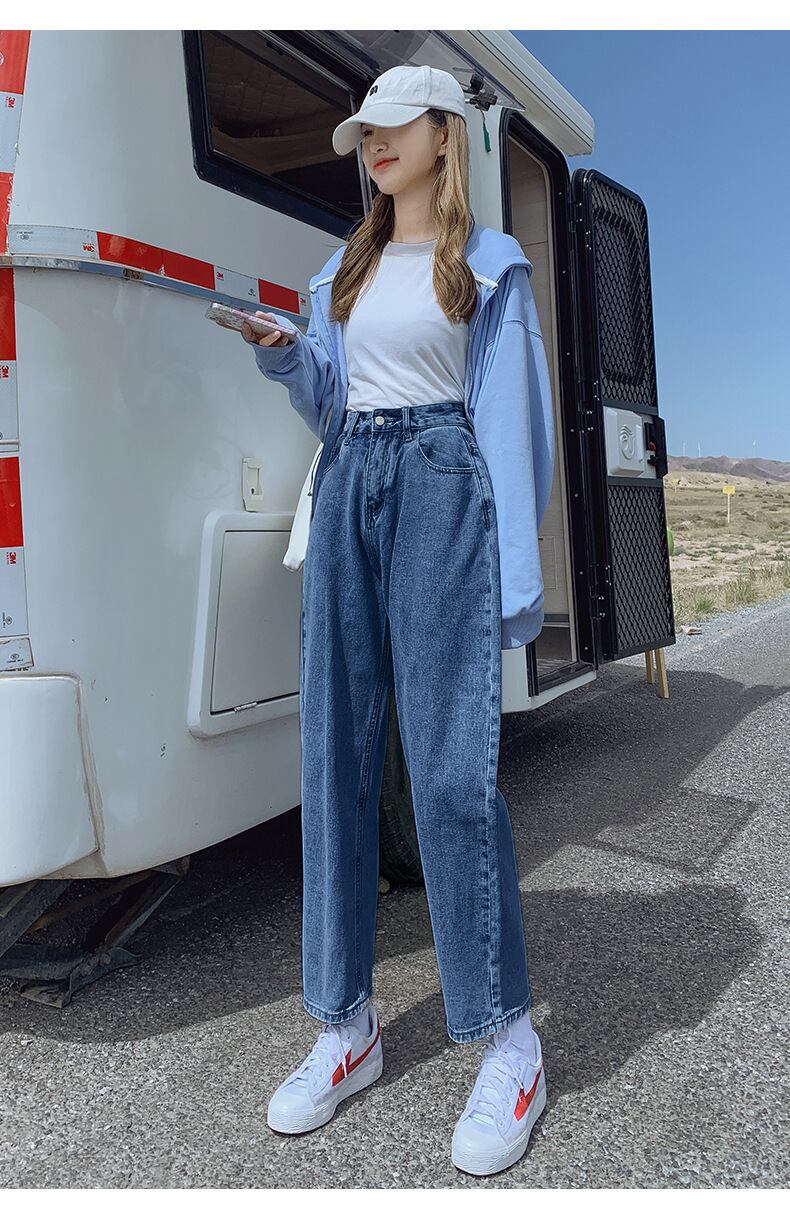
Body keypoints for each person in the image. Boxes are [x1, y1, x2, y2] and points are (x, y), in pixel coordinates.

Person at [241, 64, 554, 1177]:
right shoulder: (344, 268)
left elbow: (507, 421)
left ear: (443, 135)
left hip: (441, 482)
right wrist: (288, 356)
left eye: (390, 127)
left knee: (451, 770)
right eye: (363, 133)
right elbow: (332, 405)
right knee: (333, 756)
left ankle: (508, 1040)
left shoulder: (490, 264)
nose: (371, 145)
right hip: (348, 486)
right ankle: (346, 1025)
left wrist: (512, 573)